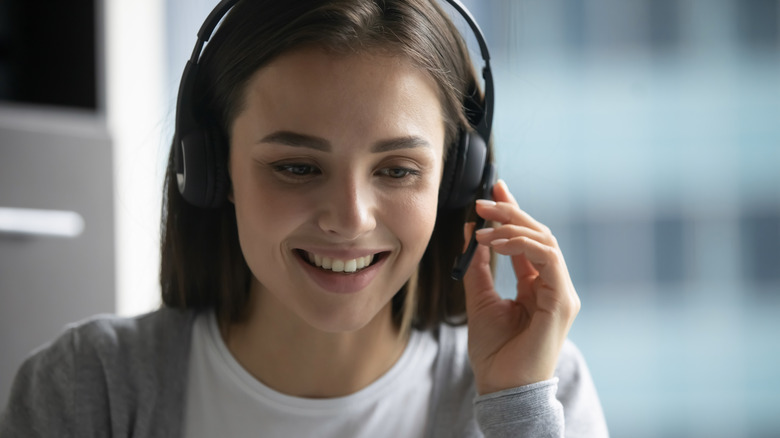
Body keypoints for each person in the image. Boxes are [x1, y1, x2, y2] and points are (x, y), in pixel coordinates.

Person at [0, 0, 609, 436]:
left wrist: (516, 409)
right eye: (296, 167)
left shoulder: (538, 388)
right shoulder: (88, 387)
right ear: (212, 170)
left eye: (398, 170)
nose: (349, 219)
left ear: (454, 182)